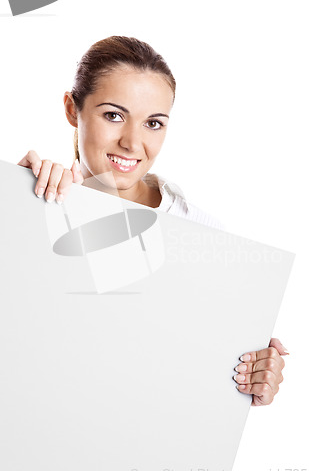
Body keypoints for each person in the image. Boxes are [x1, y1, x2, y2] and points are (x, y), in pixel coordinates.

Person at [18, 35, 288, 406]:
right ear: (71, 109)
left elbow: (200, 377)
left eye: (153, 123)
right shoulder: (33, 205)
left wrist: (251, 380)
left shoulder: (203, 234)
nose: (132, 143)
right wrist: (14, 210)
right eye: (114, 115)